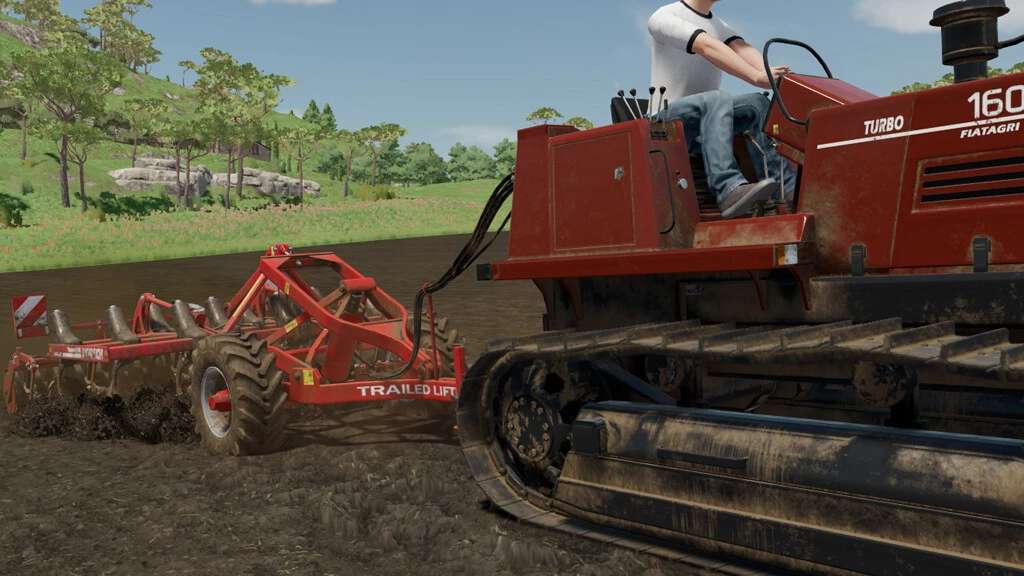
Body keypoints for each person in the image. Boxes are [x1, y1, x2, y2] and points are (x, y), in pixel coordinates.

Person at [649, 0, 796, 219]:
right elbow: (707, 46)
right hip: (666, 124)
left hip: (711, 116)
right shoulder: (663, 17)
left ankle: (787, 191)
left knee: (757, 104)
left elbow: (741, 47)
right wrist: (756, 77)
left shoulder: (718, 25)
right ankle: (728, 189)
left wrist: (769, 72)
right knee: (717, 98)